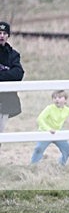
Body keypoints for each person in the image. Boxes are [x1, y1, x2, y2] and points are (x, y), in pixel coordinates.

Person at [31, 90, 69, 166]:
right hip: (45, 132)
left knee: (67, 149)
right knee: (39, 149)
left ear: (65, 100)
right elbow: (40, 119)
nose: (57, 99)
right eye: (54, 98)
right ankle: (33, 166)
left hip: (58, 133)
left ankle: (61, 165)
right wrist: (48, 129)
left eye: (59, 97)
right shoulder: (49, 108)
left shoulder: (67, 110)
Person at [0, 21, 24, 149]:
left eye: (4, 33)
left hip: (6, 100)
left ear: (8, 35)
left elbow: (18, 74)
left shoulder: (13, 54)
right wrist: (7, 73)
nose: (1, 36)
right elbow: (11, 73)